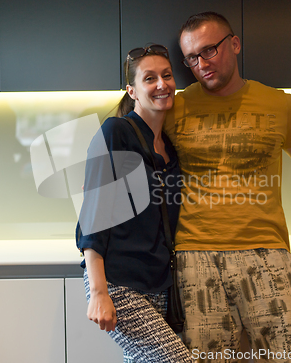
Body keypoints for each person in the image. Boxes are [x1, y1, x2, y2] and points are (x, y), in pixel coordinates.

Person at [162, 12, 291, 362]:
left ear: (234, 44)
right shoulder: (175, 107)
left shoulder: (280, 105)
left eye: (209, 50)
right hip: (193, 253)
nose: (201, 63)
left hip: (266, 251)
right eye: (191, 57)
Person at [76, 44, 192, 363]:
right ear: (133, 90)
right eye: (149, 78)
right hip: (118, 280)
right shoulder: (117, 132)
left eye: (167, 76)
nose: (161, 84)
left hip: (156, 281)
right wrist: (99, 291)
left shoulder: (168, 147)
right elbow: (94, 212)